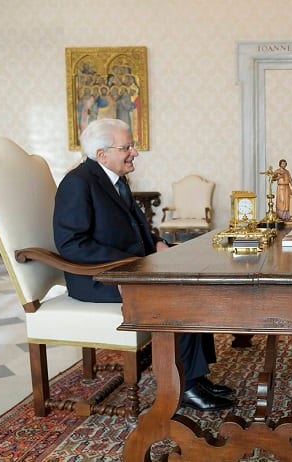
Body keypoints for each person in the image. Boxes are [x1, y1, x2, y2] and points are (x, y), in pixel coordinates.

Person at [53, 118, 234, 412]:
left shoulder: (115, 180)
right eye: (127, 147)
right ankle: (184, 386)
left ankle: (197, 376)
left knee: (196, 282)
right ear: (103, 154)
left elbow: (135, 228)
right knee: (179, 296)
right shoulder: (77, 183)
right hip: (98, 278)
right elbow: (71, 244)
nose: (134, 152)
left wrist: (157, 244)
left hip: (130, 269)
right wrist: (134, 263)